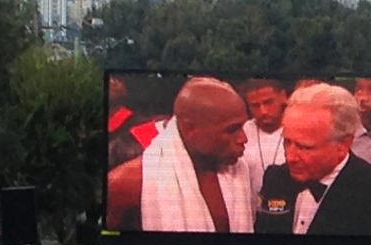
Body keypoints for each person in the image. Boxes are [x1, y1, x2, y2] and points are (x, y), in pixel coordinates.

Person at [105, 77, 257, 233]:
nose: (243, 139)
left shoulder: (239, 171)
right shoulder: (127, 182)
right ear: (191, 129)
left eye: (243, 126)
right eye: (232, 129)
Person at [253, 83, 371, 236]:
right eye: (287, 142)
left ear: (342, 144)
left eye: (304, 147)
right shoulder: (276, 178)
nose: (290, 157)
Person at [240, 78, 288, 173]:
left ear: (283, 96)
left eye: (268, 102)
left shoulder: (298, 128)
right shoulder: (243, 132)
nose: (263, 111)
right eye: (255, 105)